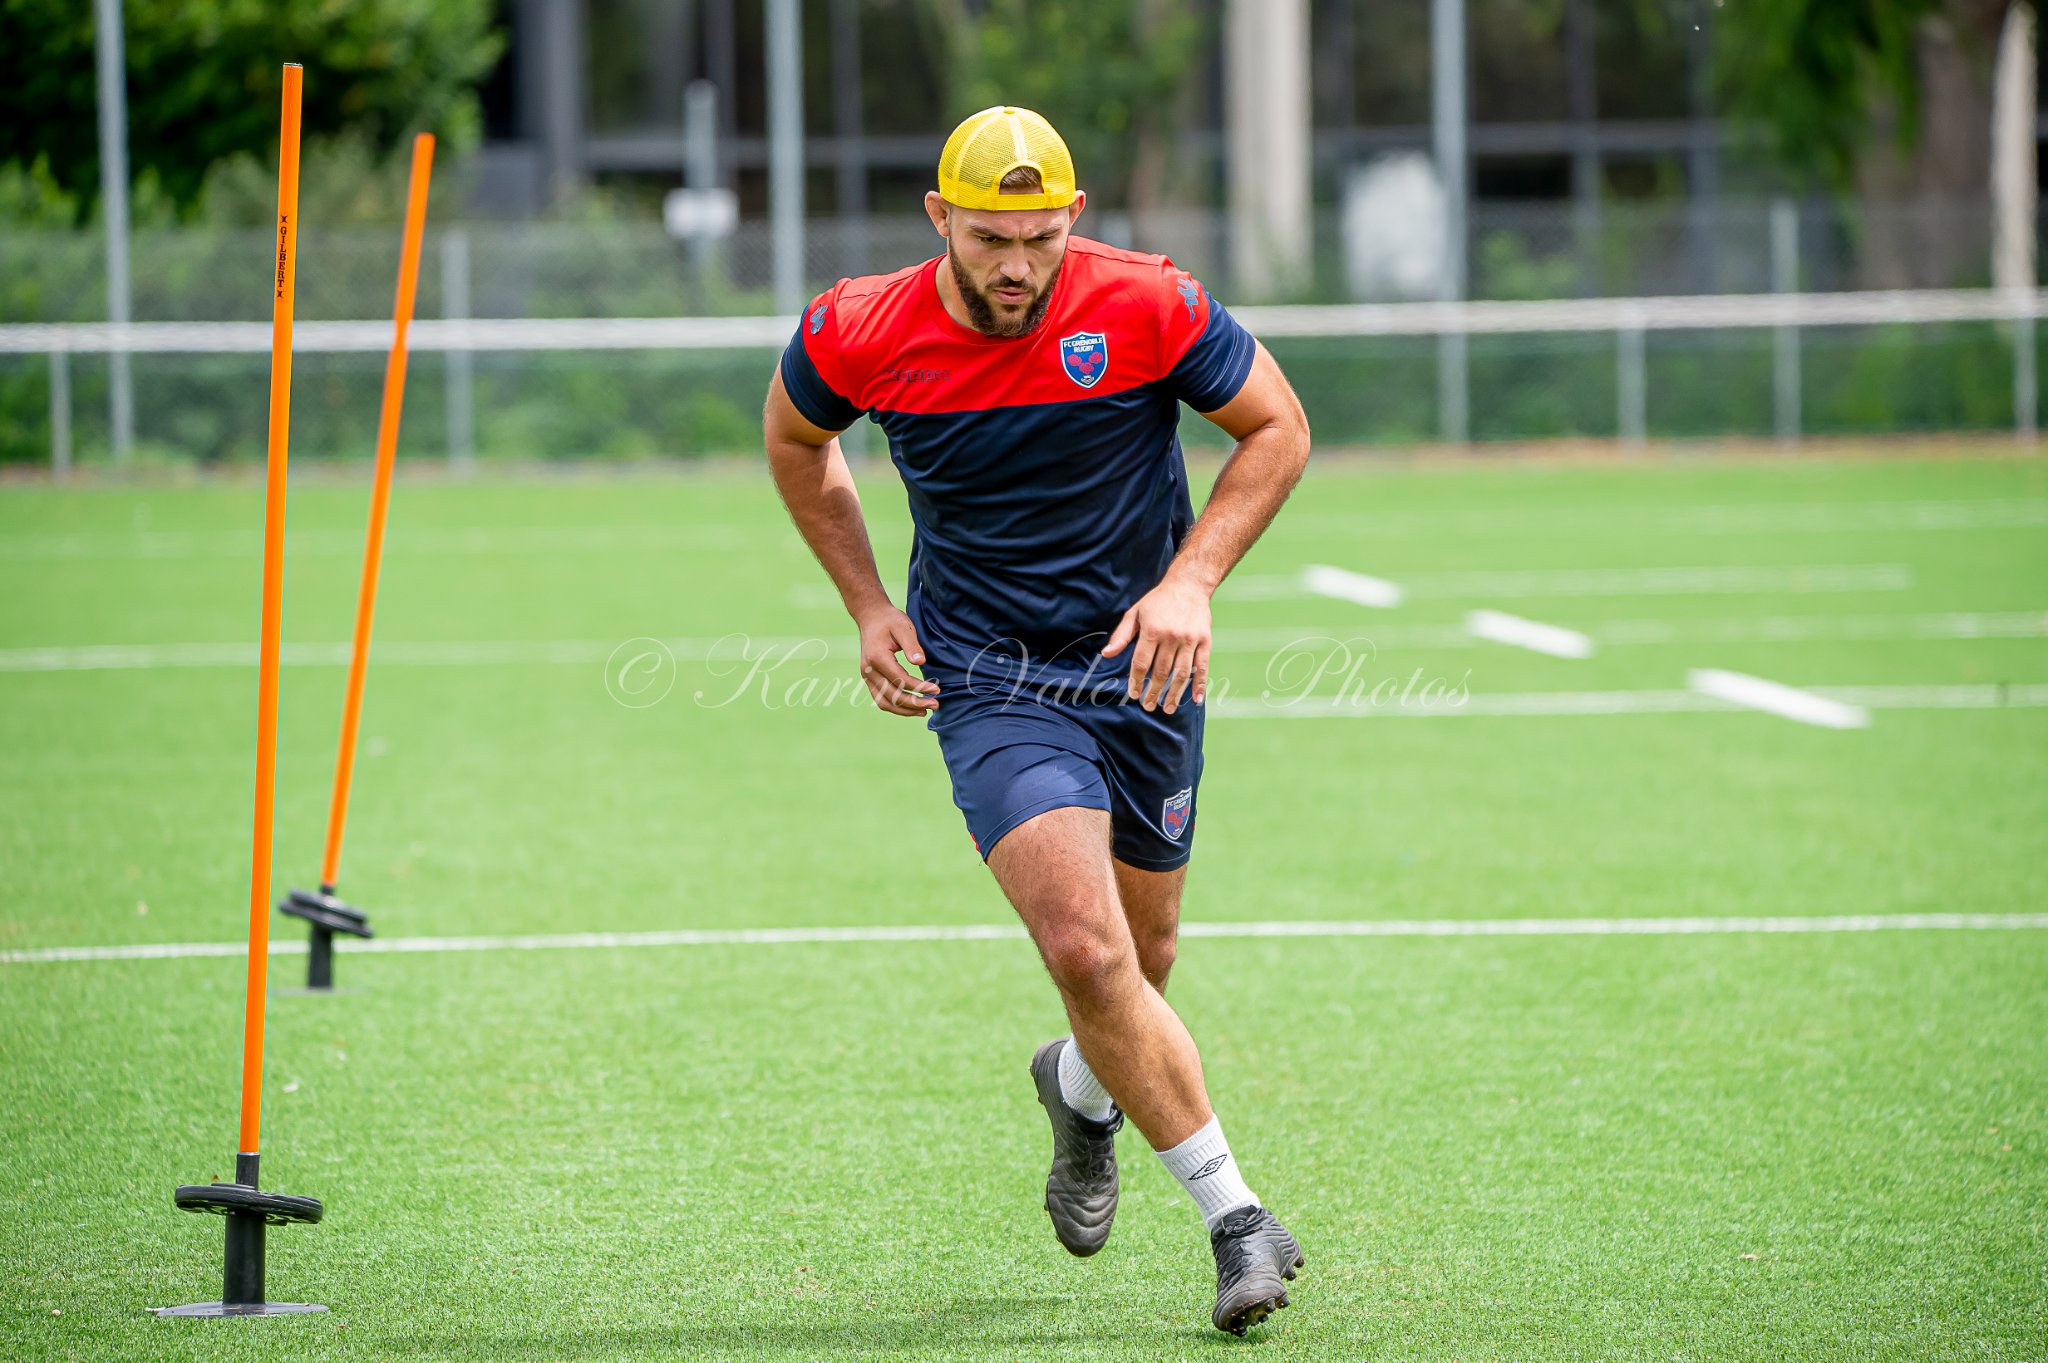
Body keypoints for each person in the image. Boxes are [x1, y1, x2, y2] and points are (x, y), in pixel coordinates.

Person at [762, 106, 1312, 1335]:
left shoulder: (1149, 305)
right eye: (988, 239)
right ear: (938, 219)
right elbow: (797, 440)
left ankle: (1079, 1092)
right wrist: (863, 600)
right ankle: (1237, 1219)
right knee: (1084, 948)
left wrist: (1189, 582)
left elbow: (1277, 428)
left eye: (1038, 238)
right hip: (989, 678)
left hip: (1144, 671)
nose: (1015, 267)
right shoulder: (857, 327)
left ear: (1075, 218)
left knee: (1142, 963)